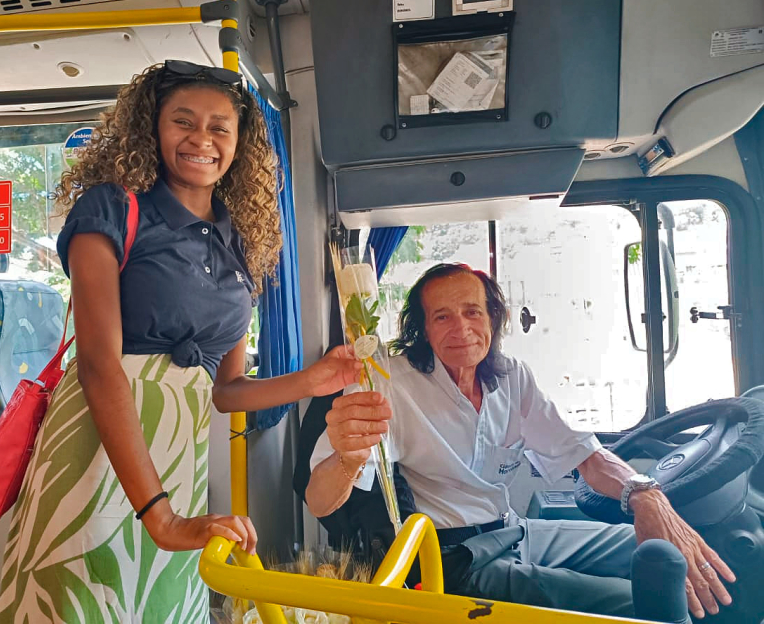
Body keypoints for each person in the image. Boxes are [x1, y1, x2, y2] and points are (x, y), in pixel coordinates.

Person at [0, 61, 361, 624]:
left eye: (220, 127)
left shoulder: (239, 240)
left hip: (176, 462)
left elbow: (226, 390)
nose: (202, 139)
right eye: (183, 121)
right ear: (152, 127)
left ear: (240, 142)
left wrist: (317, 379)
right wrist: (159, 516)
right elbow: (98, 365)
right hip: (98, 450)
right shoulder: (112, 208)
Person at [306, 263, 735, 621]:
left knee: (666, 550)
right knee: (631, 604)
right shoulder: (387, 385)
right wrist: (348, 456)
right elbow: (320, 500)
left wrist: (645, 494)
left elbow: (584, 453)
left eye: (472, 312)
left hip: (516, 531)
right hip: (456, 557)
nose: (462, 328)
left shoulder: (513, 377)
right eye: (442, 317)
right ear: (423, 330)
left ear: (494, 317)